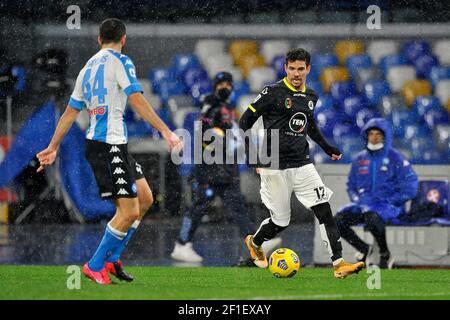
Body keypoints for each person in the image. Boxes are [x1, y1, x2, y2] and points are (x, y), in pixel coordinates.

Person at [36, 18, 182, 285]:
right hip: (108, 145)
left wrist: (53, 146)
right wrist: (166, 131)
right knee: (127, 212)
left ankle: (113, 259)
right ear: (123, 39)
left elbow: (70, 113)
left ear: (99, 39)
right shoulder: (121, 61)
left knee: (146, 199)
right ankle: (94, 265)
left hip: (111, 144)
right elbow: (136, 98)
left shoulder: (86, 69)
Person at [239, 48, 364, 279]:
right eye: (292, 68)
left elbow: (308, 125)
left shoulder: (311, 97)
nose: (296, 73)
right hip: (274, 165)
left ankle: (339, 264)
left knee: (324, 210)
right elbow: (245, 121)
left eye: (301, 69)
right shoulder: (272, 92)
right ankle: (254, 242)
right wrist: (254, 156)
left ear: (308, 69)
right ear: (286, 68)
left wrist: (327, 148)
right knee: (281, 221)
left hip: (303, 164)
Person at [171, 72, 281, 264]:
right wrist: (225, 141)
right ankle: (182, 244)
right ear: (215, 86)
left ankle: (256, 243)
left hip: (226, 170)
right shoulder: (212, 105)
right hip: (209, 170)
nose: (225, 87)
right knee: (198, 208)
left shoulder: (227, 108)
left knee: (238, 208)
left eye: (227, 84)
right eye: (221, 83)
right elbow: (206, 131)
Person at [335, 118, 418, 269]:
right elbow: (351, 186)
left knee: (372, 217)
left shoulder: (396, 158)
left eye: (378, 134)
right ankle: (364, 249)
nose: (374, 137)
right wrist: (356, 199)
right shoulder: (359, 159)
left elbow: (411, 187)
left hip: (388, 206)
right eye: (371, 134)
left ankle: (385, 254)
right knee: (337, 220)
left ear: (385, 137)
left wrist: (391, 201)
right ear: (366, 136)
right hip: (362, 205)